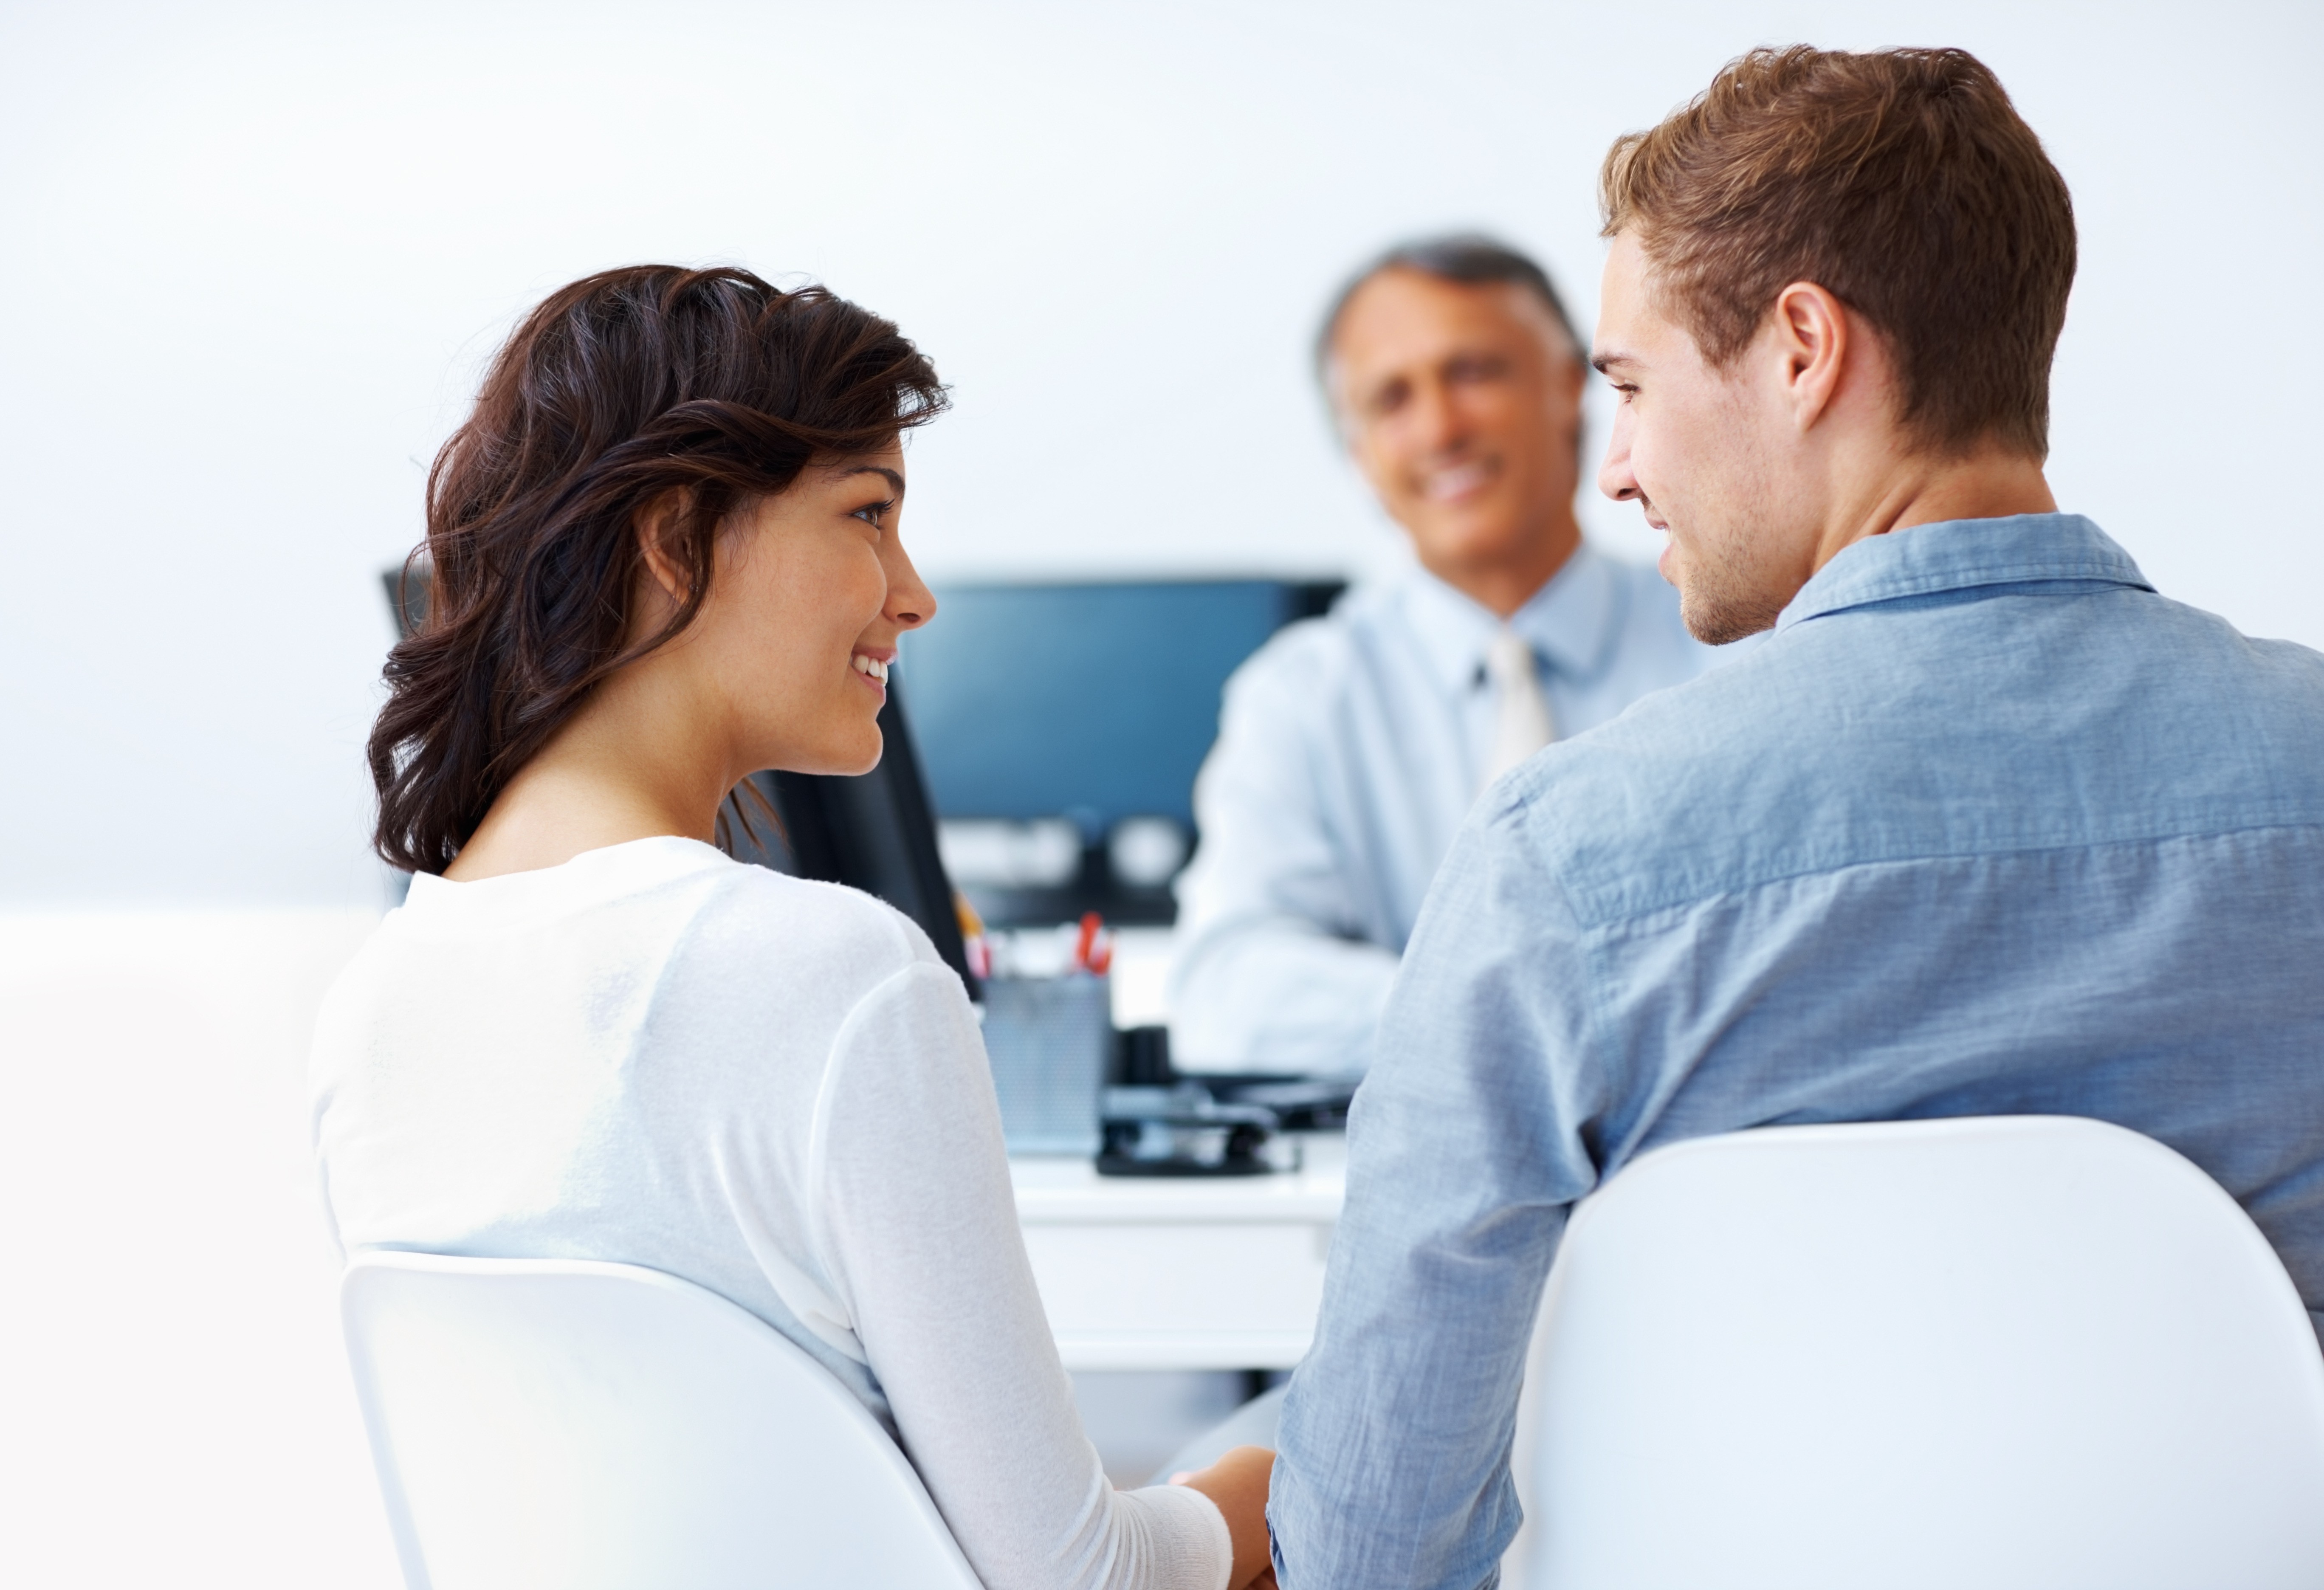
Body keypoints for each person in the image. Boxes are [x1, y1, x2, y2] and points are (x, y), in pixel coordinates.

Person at [1269, 45, 2324, 1589]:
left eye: (1627, 386)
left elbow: (1366, 1542)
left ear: (1802, 349)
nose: (1616, 466)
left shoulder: (1566, 861)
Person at [310, 266, 1277, 1590]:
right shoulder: (844, 980)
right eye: (868, 515)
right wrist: (1276, 1478)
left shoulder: (374, 1010)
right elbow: (1082, 1579)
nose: (913, 591)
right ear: (673, 538)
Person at [1168, 235, 1713, 1078]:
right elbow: (1226, 998)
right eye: (1391, 399)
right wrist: (1530, 1014)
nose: (1440, 428)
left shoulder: (1731, 643)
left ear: (1575, 387)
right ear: (1360, 458)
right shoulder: (1304, 696)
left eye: (1473, 373)